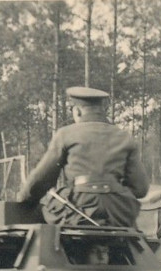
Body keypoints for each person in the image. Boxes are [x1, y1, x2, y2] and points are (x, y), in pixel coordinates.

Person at [19, 86, 150, 227]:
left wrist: (25, 198)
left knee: (43, 216)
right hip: (118, 213)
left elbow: (42, 179)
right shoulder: (124, 137)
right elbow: (140, 189)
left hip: (77, 210)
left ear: (78, 111)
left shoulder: (65, 134)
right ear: (102, 111)